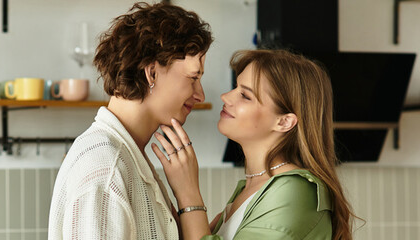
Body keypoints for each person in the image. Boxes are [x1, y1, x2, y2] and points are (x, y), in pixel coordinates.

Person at [152, 49, 359, 240]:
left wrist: (188, 193)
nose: (225, 97)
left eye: (245, 95)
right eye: (236, 87)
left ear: (284, 122)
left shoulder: (295, 191)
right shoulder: (251, 188)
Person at [47, 2, 212, 239]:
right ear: (152, 73)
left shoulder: (128, 156)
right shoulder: (107, 169)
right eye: (193, 77)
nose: (200, 95)